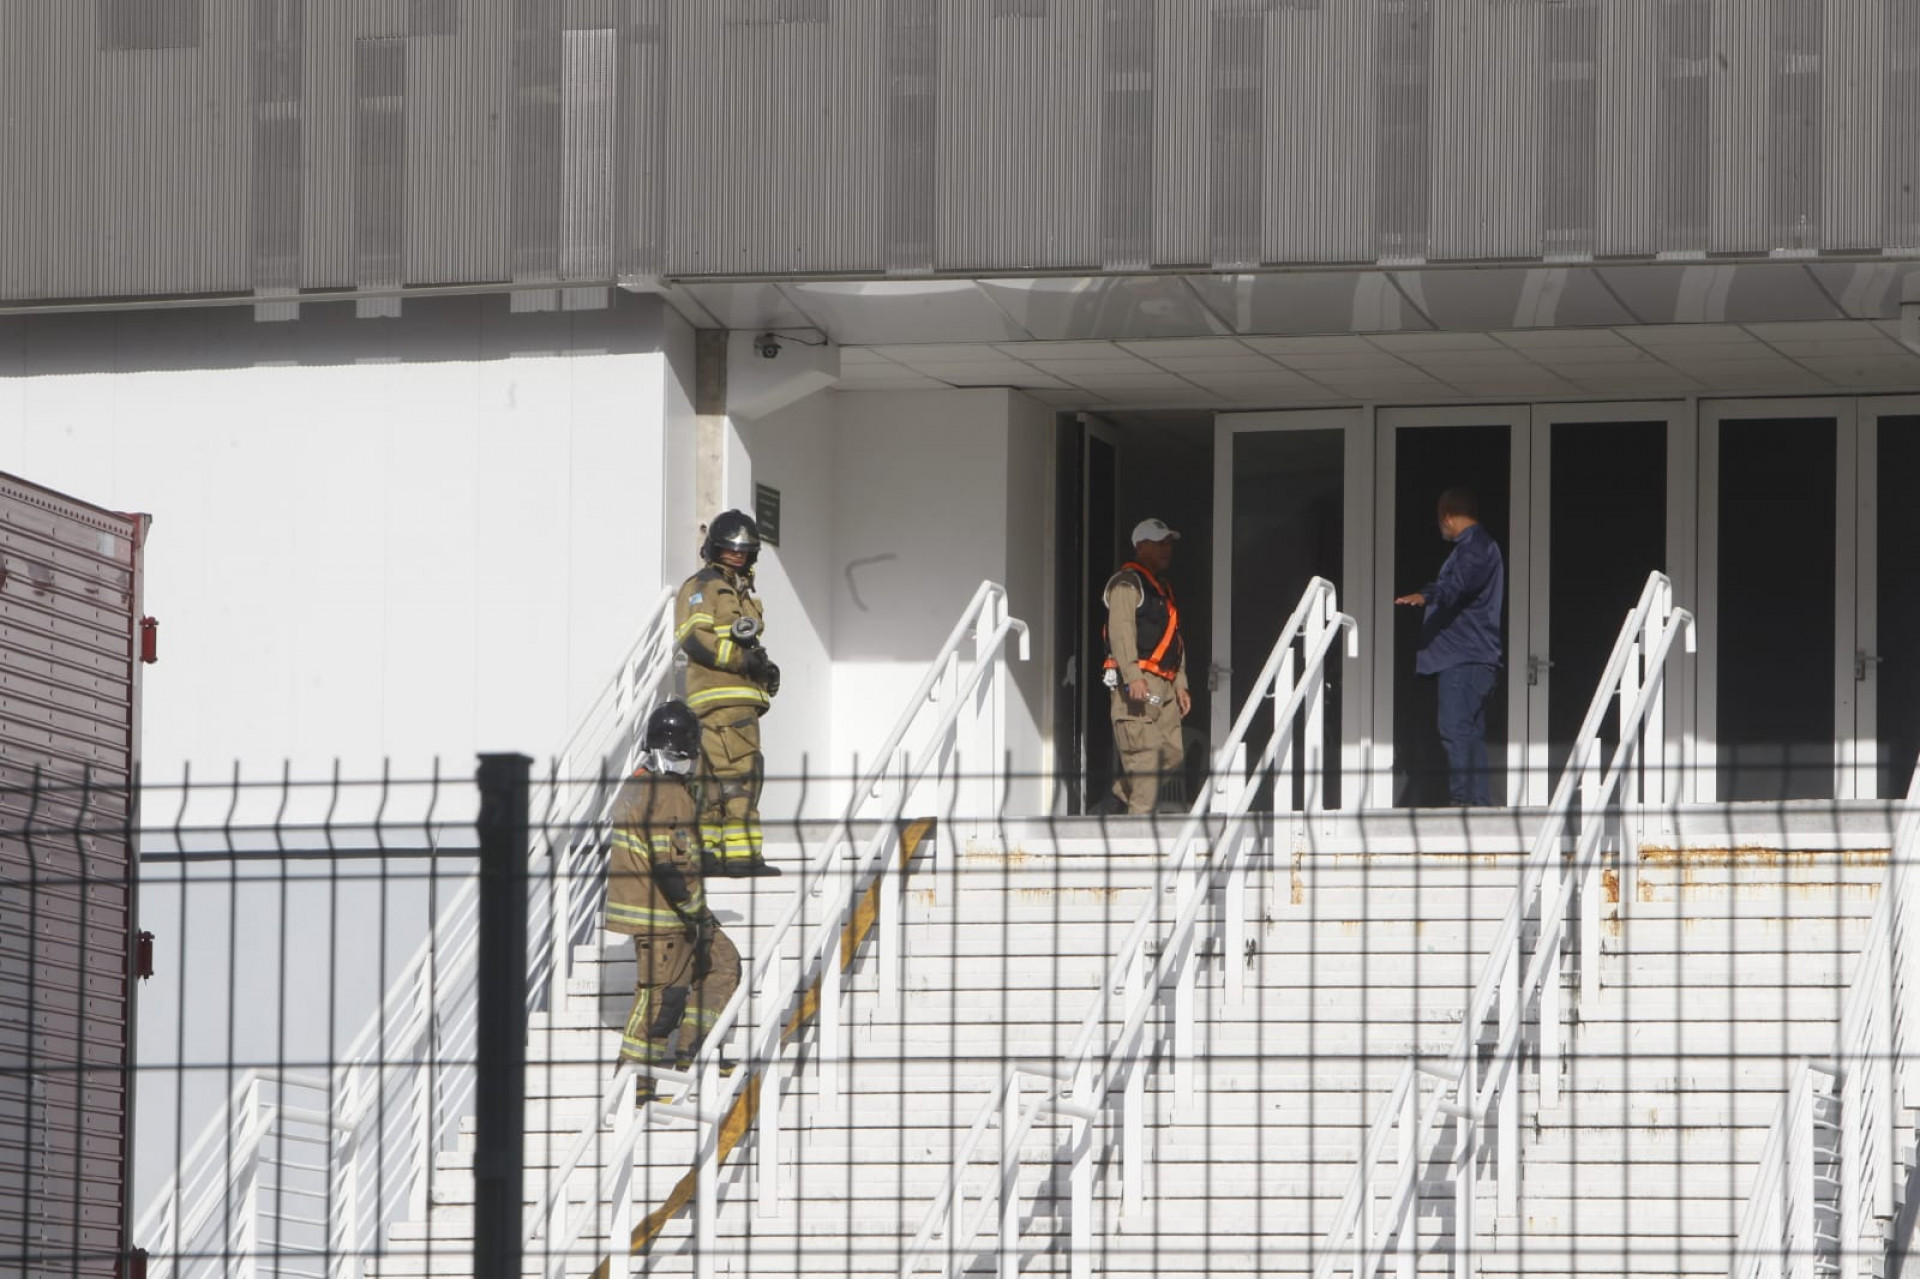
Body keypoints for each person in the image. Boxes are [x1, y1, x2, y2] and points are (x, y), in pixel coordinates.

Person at [606, 700, 741, 1105]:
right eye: (687, 756)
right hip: (665, 915)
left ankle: (694, 1052)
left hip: (669, 911)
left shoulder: (643, 785)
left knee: (722, 963)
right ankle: (633, 1085)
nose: (690, 763)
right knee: (661, 1001)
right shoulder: (665, 793)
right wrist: (696, 910)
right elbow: (670, 864)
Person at [675, 510, 781, 876]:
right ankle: (743, 858)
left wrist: (763, 672)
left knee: (714, 783)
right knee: (742, 777)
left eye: (745, 551)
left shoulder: (735, 589)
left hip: (726, 700)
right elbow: (696, 638)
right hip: (725, 700)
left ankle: (710, 855)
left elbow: (742, 643)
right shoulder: (705, 586)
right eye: (730, 549)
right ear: (713, 548)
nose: (737, 555)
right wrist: (742, 662)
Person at [1394, 486, 1505, 806]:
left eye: (1440, 518)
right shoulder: (1476, 547)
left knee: (1456, 730)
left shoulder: (1474, 548)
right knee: (1468, 734)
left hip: (1465, 660)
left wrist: (1428, 596)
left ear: (1448, 516)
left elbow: (1458, 584)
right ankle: (1476, 803)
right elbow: (1455, 583)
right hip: (1470, 659)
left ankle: (1467, 803)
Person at [1097, 517, 1192, 815]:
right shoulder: (1127, 583)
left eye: (1169, 543)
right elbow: (1121, 632)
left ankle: (1117, 798)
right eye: (1159, 543)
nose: (1167, 549)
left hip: (1162, 689)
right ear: (1140, 546)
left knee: (1172, 753)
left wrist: (1180, 683)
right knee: (1146, 760)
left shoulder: (1162, 589)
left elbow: (1175, 638)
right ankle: (1136, 839)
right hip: (1137, 686)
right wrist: (1132, 675)